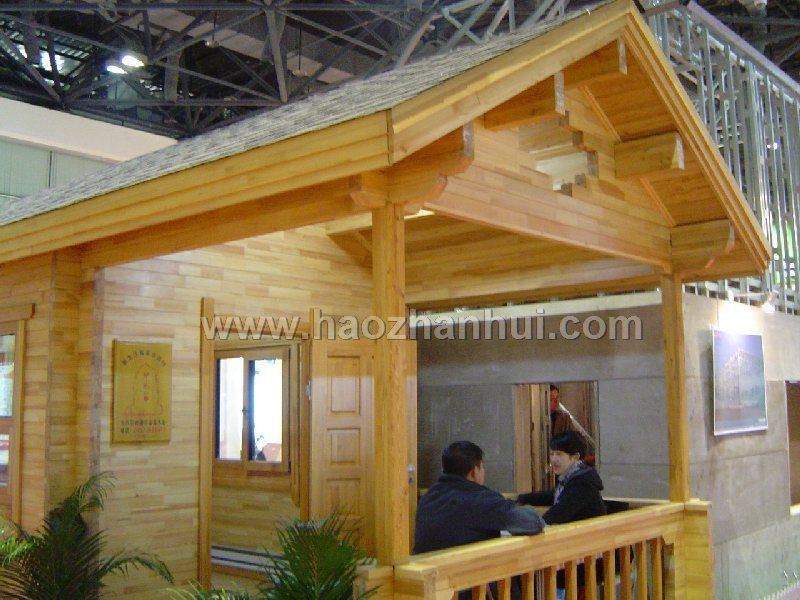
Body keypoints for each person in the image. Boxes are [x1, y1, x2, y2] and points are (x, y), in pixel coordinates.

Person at [414, 441, 545, 554]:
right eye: (482, 467)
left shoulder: (428, 497)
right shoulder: (479, 499)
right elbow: (533, 522)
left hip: (425, 572)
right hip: (465, 574)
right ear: (473, 472)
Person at [518, 431, 606, 524]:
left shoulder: (582, 483)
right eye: (552, 454)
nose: (553, 459)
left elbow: (558, 514)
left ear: (575, 457)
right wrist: (522, 499)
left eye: (559, 454)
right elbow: (553, 495)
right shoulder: (570, 477)